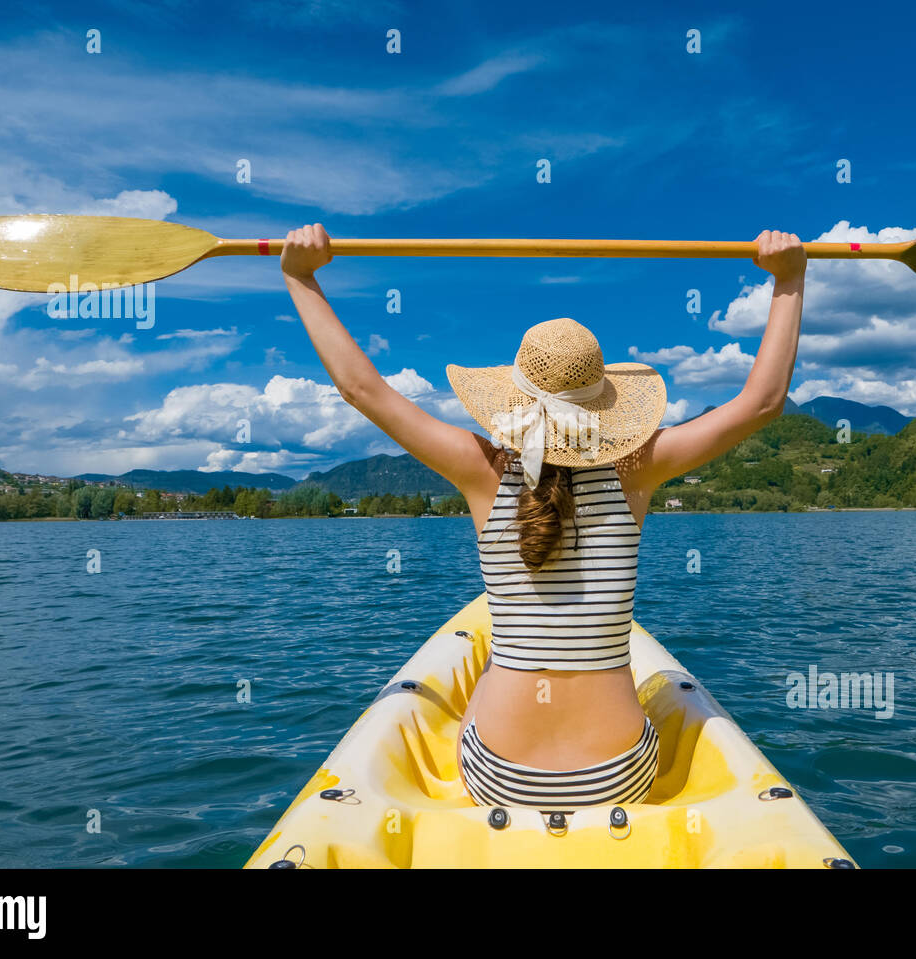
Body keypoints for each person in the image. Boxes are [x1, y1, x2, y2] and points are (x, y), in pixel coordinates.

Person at [281, 224, 806, 808]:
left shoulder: (478, 467)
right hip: (620, 773)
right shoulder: (638, 467)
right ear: (606, 405)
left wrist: (300, 276)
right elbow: (761, 402)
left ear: (513, 395)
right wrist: (788, 279)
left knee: (483, 682)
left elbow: (363, 390)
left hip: (499, 776)